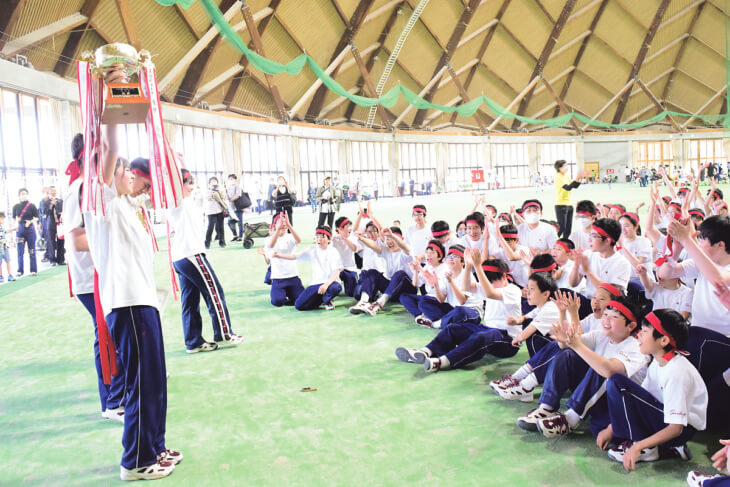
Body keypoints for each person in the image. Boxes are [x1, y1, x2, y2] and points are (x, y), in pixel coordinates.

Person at [85, 71, 180, 480]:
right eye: (123, 170)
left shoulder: (129, 208)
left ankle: (153, 446)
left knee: (155, 380)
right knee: (141, 385)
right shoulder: (101, 200)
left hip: (143, 302)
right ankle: (136, 461)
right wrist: (114, 90)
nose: (130, 175)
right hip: (126, 304)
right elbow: (110, 146)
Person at [63, 141, 126, 422]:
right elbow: (77, 240)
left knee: (110, 334)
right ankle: (113, 399)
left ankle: (116, 394)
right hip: (91, 278)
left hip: (102, 273)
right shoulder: (80, 189)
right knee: (108, 337)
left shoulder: (94, 187)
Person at [604, 309, 706, 470]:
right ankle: (661, 448)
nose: (638, 335)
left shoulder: (677, 372)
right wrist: (610, 428)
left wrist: (638, 446)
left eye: (644, 332)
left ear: (664, 340)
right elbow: (641, 398)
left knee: (617, 382)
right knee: (602, 427)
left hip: (680, 430)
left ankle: (647, 448)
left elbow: (676, 428)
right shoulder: (659, 362)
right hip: (664, 418)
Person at [168, 168, 243, 353]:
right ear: (179, 185)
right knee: (215, 292)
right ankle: (225, 334)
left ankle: (193, 342)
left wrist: (182, 162)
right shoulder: (175, 201)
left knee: (190, 301)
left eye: (193, 183)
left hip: (182, 256)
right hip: (190, 255)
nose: (192, 187)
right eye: (189, 183)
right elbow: (174, 181)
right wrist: (175, 164)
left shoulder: (187, 202)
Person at [272, 225, 343, 311]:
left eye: (322, 237)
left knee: (335, 288)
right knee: (299, 305)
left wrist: (326, 284)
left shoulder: (333, 251)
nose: (319, 239)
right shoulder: (312, 250)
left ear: (329, 239)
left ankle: (328, 300)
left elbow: (337, 271)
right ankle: (322, 299)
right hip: (316, 284)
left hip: (331, 283)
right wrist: (279, 255)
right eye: (317, 237)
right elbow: (295, 256)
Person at [266, 212, 304, 306]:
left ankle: (289, 293)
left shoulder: (290, 237)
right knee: (277, 301)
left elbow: (299, 240)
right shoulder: (268, 239)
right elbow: (271, 245)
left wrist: (290, 226)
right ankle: (282, 293)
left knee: (301, 300)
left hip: (293, 276)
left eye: (284, 222)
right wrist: (278, 229)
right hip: (278, 278)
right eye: (280, 222)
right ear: (274, 225)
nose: (283, 224)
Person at [554, 160, 587, 238]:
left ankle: (565, 244)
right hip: (561, 205)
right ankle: (552, 242)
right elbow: (568, 188)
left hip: (569, 205)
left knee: (568, 229)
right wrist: (577, 178)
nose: (567, 168)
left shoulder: (566, 177)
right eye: (565, 166)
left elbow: (574, 186)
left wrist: (580, 178)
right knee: (561, 228)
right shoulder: (558, 177)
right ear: (559, 168)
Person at [13, 188, 39, 277]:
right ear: (19, 196)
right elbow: (13, 219)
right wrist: (15, 226)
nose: (23, 195)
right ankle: (20, 270)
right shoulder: (16, 206)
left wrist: (30, 221)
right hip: (20, 230)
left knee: (32, 250)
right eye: (22, 194)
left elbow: (37, 217)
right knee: (20, 251)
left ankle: (33, 270)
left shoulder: (32, 206)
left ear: (27, 194)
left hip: (30, 230)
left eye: (25, 193)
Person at [205, 176, 227, 249]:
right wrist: (211, 191)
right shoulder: (207, 190)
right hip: (210, 211)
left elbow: (224, 197)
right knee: (210, 227)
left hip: (219, 210)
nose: (213, 183)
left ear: (217, 182)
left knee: (220, 227)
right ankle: (207, 242)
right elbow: (208, 198)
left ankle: (222, 242)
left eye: (215, 181)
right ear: (209, 183)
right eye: (212, 181)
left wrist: (219, 191)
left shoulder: (220, 189)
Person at [226, 174, 244, 242]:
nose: (231, 180)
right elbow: (227, 196)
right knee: (230, 223)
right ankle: (235, 235)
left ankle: (240, 237)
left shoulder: (237, 186)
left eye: (232, 179)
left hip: (238, 207)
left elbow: (238, 195)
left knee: (239, 223)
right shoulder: (229, 187)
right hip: (231, 208)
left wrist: (231, 199)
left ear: (235, 179)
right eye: (230, 179)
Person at [0, 212, 14, 282]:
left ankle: (10, 275)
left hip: (5, 246)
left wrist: (13, 229)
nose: (3, 221)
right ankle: (1, 276)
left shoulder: (2, 227)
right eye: (2, 219)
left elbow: (5, 232)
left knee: (8, 261)